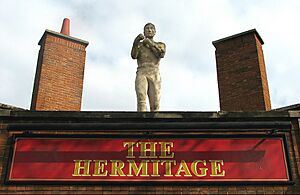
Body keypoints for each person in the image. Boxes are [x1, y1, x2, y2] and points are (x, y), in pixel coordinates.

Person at [131, 23, 166, 112]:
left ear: (154, 32)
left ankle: (154, 124)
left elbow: (160, 54)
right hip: (142, 71)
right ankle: (141, 123)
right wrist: (135, 43)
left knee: (155, 103)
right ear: (144, 31)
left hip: (154, 72)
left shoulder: (160, 44)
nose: (149, 30)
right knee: (141, 98)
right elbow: (134, 55)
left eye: (151, 29)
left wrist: (150, 44)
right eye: (147, 29)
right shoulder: (140, 45)